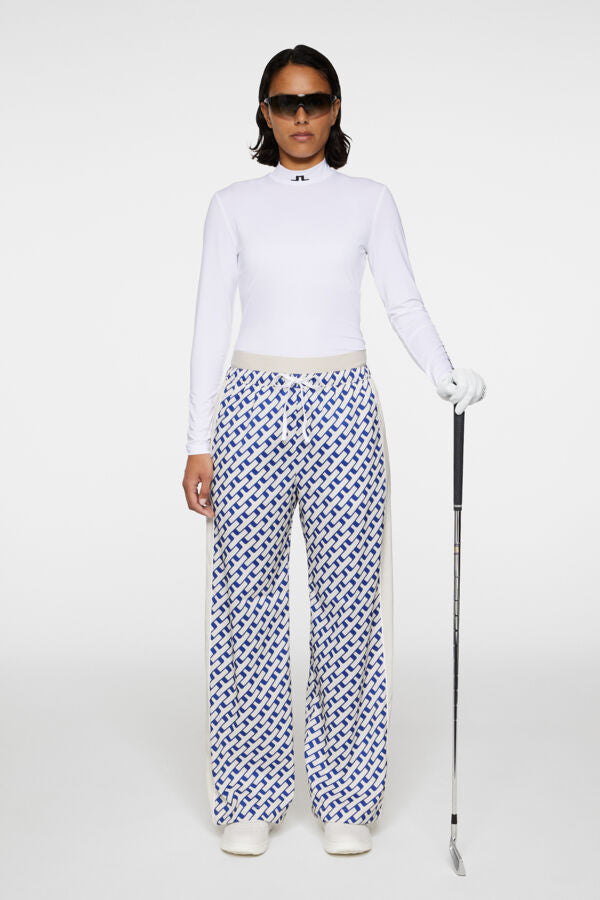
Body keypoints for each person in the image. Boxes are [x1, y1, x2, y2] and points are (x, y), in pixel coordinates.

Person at [182, 44, 486, 857]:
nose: (301, 116)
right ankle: (249, 796)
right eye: (286, 103)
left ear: (336, 108)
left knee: (349, 605)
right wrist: (198, 442)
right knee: (246, 606)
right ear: (264, 112)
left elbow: (402, 301)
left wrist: (444, 373)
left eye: (314, 101)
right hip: (250, 405)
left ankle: (347, 796)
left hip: (342, 404)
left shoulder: (369, 200)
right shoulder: (232, 205)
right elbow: (210, 322)